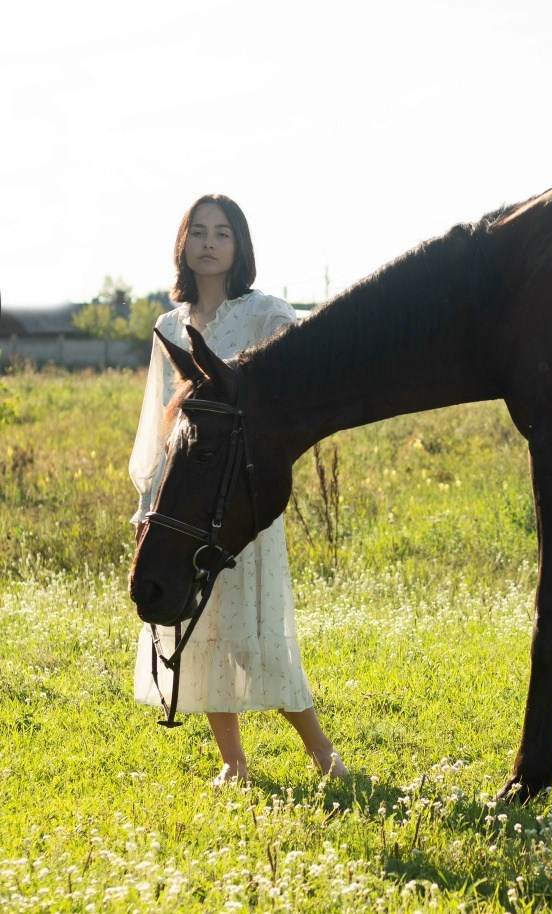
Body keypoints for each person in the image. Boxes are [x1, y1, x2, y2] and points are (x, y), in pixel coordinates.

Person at [129, 193, 347, 787]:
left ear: (239, 246)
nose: (208, 243)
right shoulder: (169, 326)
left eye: (221, 233)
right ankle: (234, 762)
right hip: (185, 500)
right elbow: (159, 417)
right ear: (183, 244)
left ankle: (324, 755)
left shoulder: (267, 314)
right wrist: (150, 499)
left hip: (241, 498)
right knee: (199, 630)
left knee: (257, 629)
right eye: (197, 232)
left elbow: (309, 373)